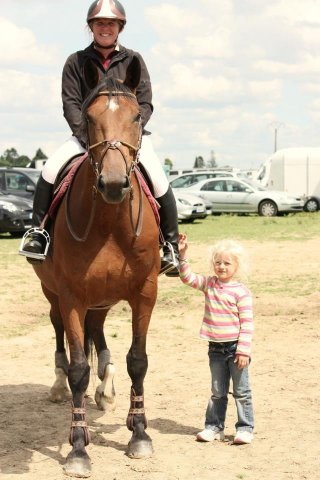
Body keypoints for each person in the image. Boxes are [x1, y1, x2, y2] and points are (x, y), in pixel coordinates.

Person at [21, 0, 179, 276]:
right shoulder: (76, 62)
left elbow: (146, 103)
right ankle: (38, 234)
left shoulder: (134, 60)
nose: (105, 28)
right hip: (88, 138)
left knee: (158, 177)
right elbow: (70, 104)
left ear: (120, 27)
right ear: (91, 27)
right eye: (100, 23)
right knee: (49, 169)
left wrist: (130, 134)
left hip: (129, 139)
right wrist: (88, 136)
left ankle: (171, 247)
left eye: (111, 23)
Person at [178, 234, 254, 444]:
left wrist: (243, 351)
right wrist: (182, 256)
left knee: (241, 392)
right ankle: (214, 427)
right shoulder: (209, 284)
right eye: (218, 262)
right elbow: (187, 278)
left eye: (227, 263)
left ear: (236, 266)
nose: (221, 266)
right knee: (218, 392)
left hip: (236, 350)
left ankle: (245, 429)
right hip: (215, 350)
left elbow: (247, 324)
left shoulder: (242, 292)